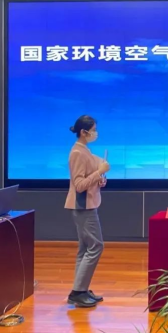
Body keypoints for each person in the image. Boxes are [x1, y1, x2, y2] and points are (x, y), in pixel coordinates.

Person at [65, 115, 110, 308]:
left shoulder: (85, 150)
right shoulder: (77, 152)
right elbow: (79, 185)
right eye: (93, 130)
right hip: (83, 206)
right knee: (96, 246)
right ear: (84, 132)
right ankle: (78, 292)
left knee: (85, 249)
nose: (95, 133)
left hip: (88, 205)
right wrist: (99, 172)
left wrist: (100, 179)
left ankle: (80, 289)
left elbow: (88, 179)